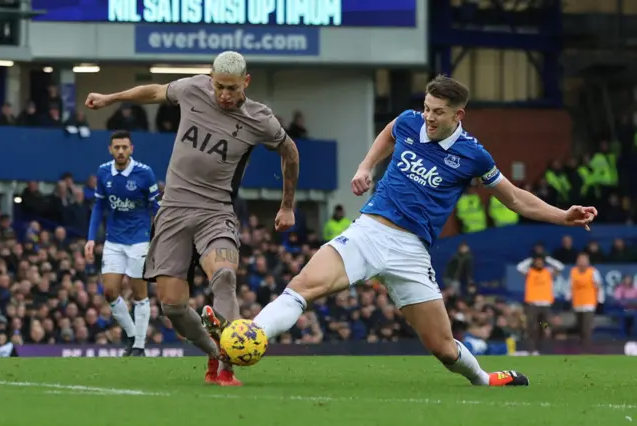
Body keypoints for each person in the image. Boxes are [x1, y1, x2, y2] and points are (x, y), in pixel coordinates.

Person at [247, 75, 597, 386]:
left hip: (411, 252)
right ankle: (250, 335)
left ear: (458, 115)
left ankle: (484, 379)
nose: (429, 117)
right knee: (301, 289)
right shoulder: (410, 122)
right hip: (368, 232)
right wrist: (366, 166)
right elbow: (390, 131)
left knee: (444, 349)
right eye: (427, 108)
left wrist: (562, 215)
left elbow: (517, 200)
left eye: (438, 112)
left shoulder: (474, 156)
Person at [85, 51, 299, 386]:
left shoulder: (260, 119)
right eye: (219, 87)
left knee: (225, 277)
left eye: (231, 88)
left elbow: (290, 151)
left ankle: (228, 365)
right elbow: (155, 92)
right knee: (172, 306)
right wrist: (111, 97)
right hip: (172, 211)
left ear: (246, 82)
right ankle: (214, 353)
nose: (224, 95)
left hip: (216, 212)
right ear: (210, 79)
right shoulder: (192, 89)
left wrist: (287, 205)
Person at [85, 130, 160, 356]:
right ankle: (131, 333)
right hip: (114, 240)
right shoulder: (103, 172)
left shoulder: (144, 173)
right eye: (116, 147)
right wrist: (90, 238)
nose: (120, 151)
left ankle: (139, 345)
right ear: (110, 149)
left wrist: (162, 237)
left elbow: (156, 208)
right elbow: (99, 206)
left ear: (131, 149)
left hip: (139, 240)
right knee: (109, 291)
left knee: (140, 294)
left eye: (124, 147)